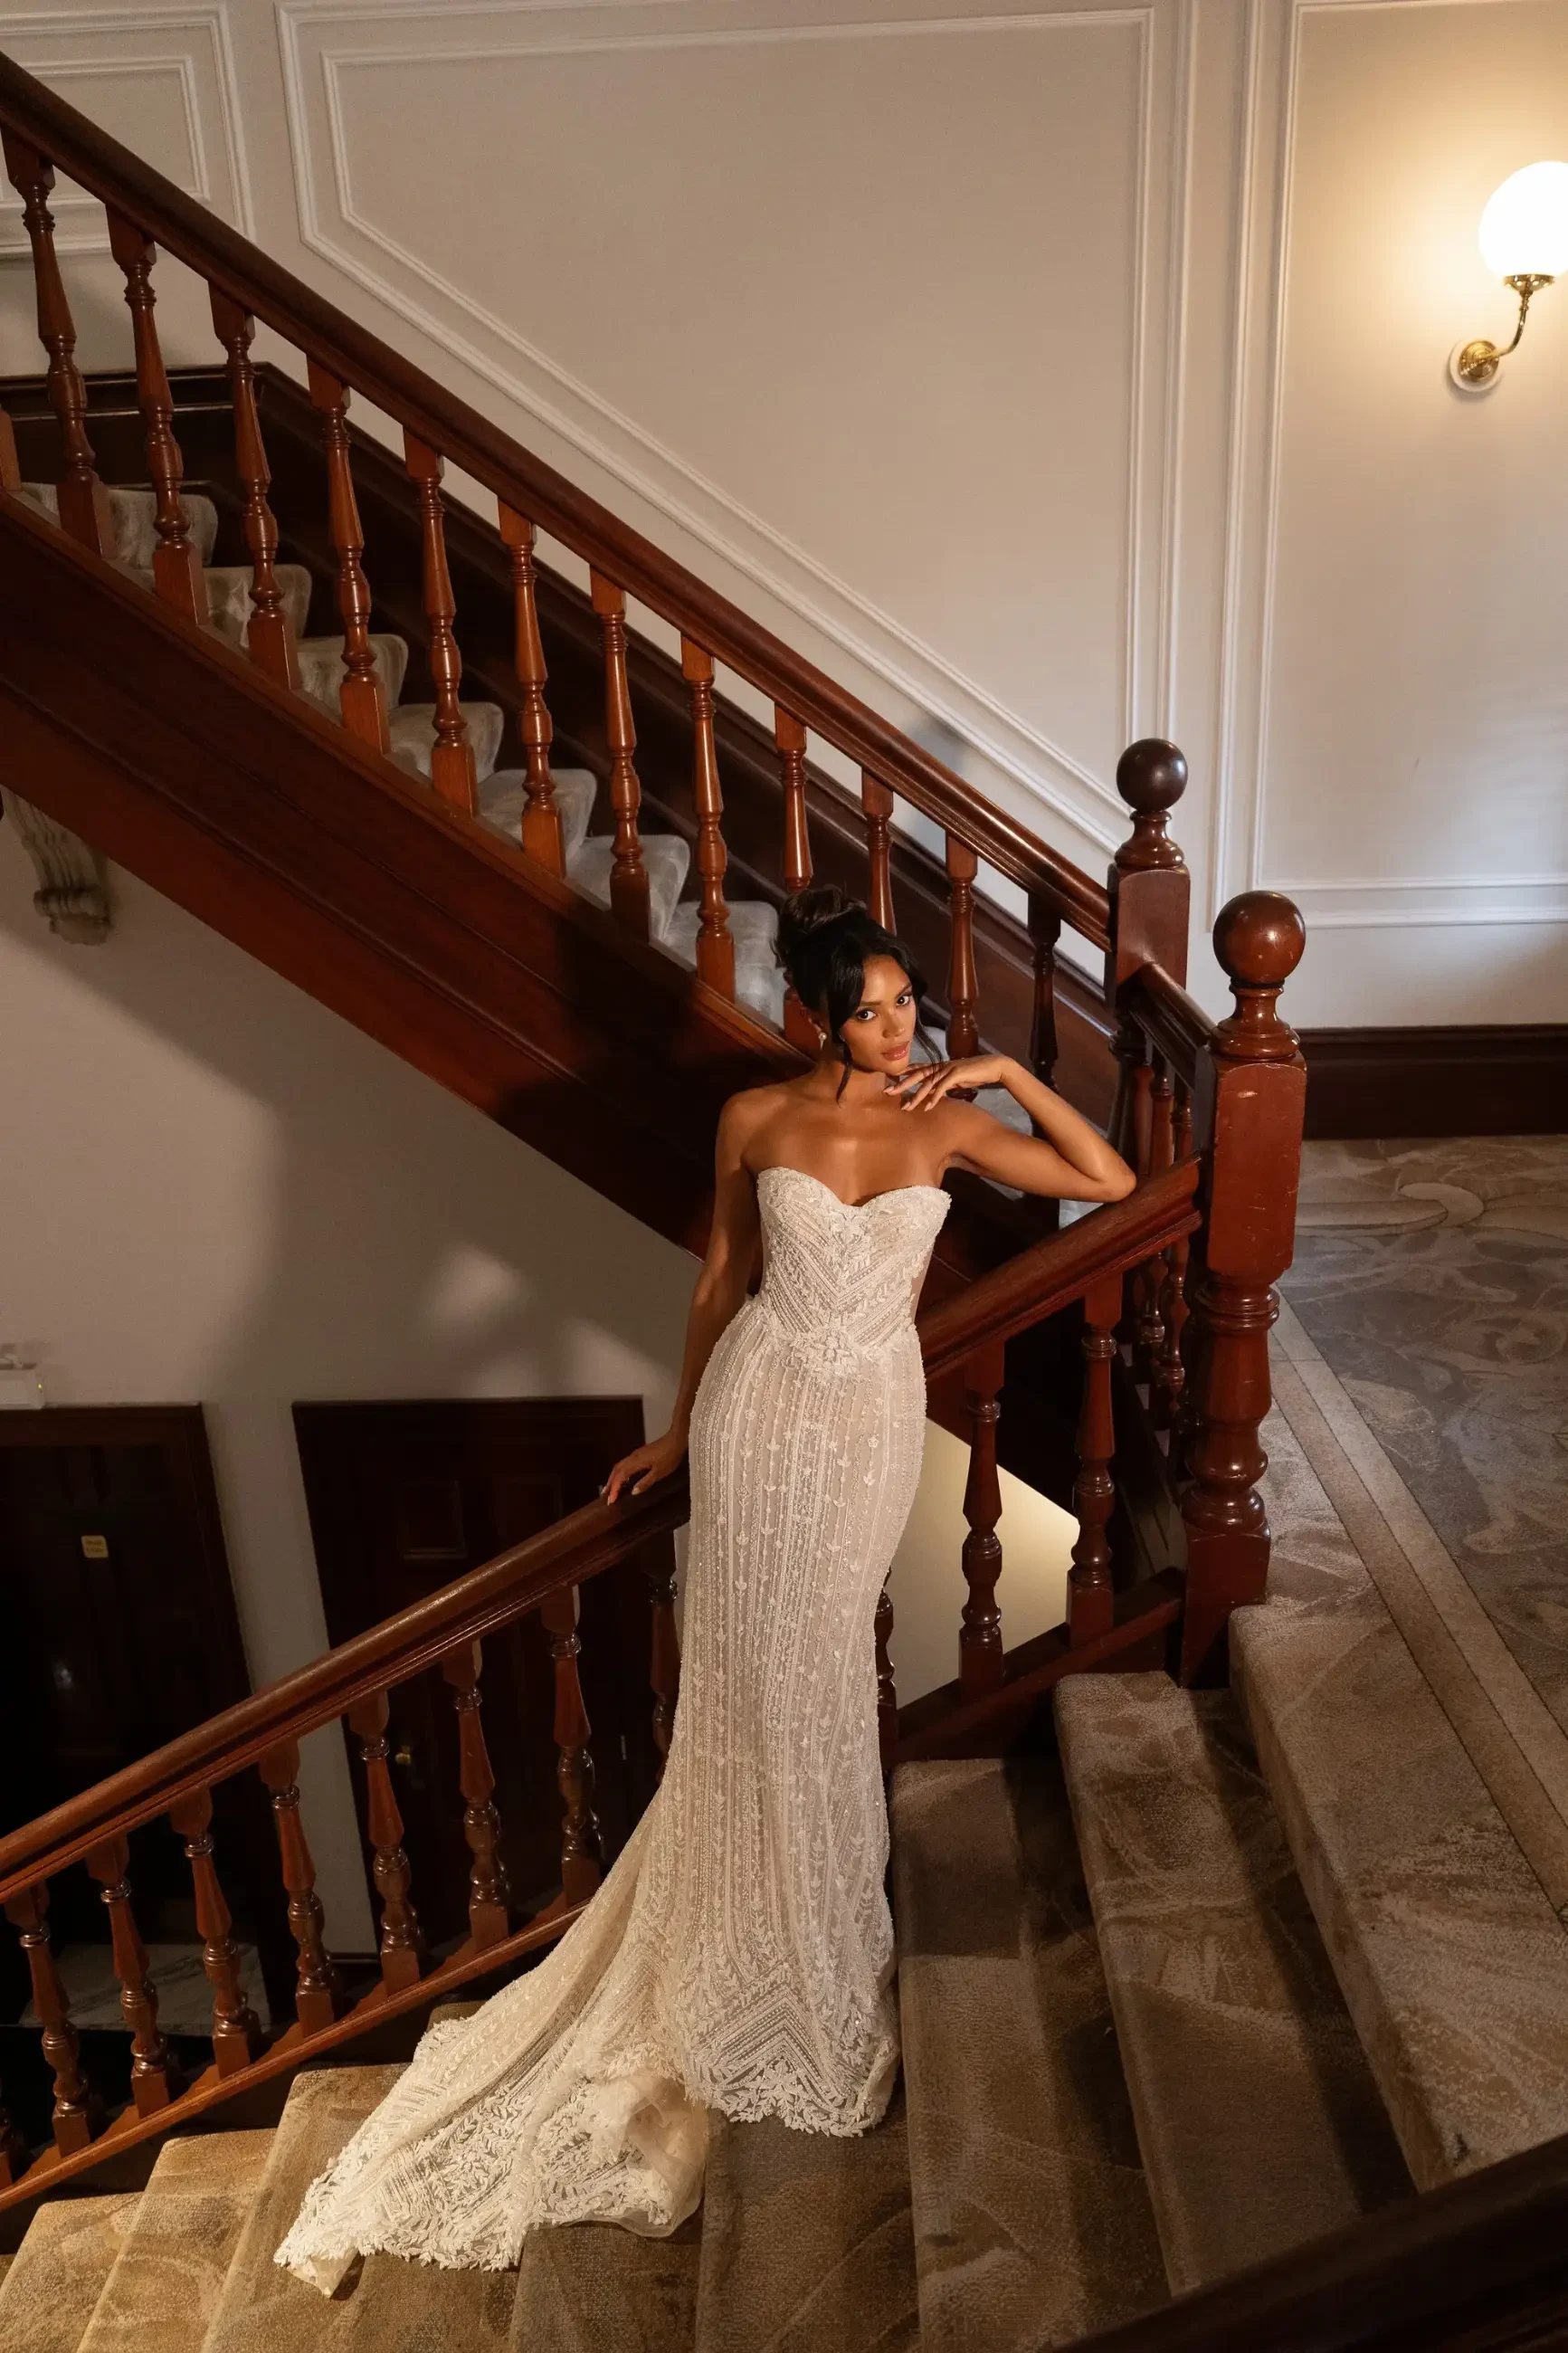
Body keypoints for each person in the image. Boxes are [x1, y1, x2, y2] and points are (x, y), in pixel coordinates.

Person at [275, 887, 1134, 2290]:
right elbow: (721, 1278)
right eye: (867, 1009)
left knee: (814, 1693)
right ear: (817, 1014)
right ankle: (750, 1956)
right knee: (745, 1695)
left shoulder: (949, 1121)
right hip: (758, 1419)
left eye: (907, 1003)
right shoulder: (757, 1119)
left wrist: (1008, 1072)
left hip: (861, 1434)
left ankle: (814, 1960)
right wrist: (682, 1430)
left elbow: (1102, 1180)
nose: (894, 1025)